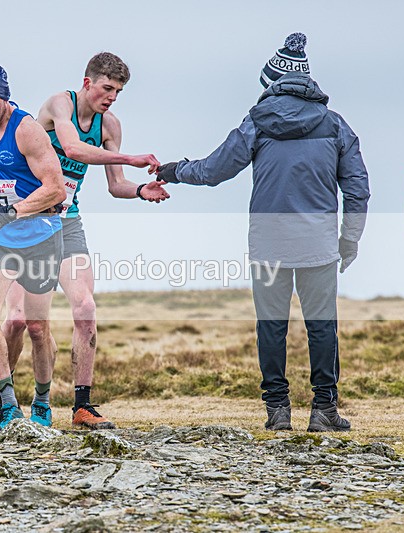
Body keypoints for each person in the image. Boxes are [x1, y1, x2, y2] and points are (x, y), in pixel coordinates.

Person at [157, 33, 370, 432]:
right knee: (322, 325)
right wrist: (349, 239)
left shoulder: (257, 121)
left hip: (268, 241)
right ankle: (324, 409)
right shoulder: (336, 124)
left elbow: (215, 170)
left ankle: (277, 410)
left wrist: (175, 170)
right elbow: (357, 187)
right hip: (320, 242)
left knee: (271, 324)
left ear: (272, 81)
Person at [0, 52, 169, 430]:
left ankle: (82, 406)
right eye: (107, 88)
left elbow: (116, 185)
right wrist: (130, 157)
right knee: (22, 320)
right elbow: (72, 149)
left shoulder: (110, 126)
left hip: (68, 225)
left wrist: (140, 190)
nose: (112, 97)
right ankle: (3, 395)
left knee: (85, 309)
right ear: (88, 83)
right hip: (28, 223)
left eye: (118, 91)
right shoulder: (59, 105)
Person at [0, 62, 67, 435]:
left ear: (6, 98)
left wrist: (7, 212)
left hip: (40, 236)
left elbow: (55, 188)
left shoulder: (28, 131)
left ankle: (42, 401)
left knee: (36, 327)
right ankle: (8, 403)